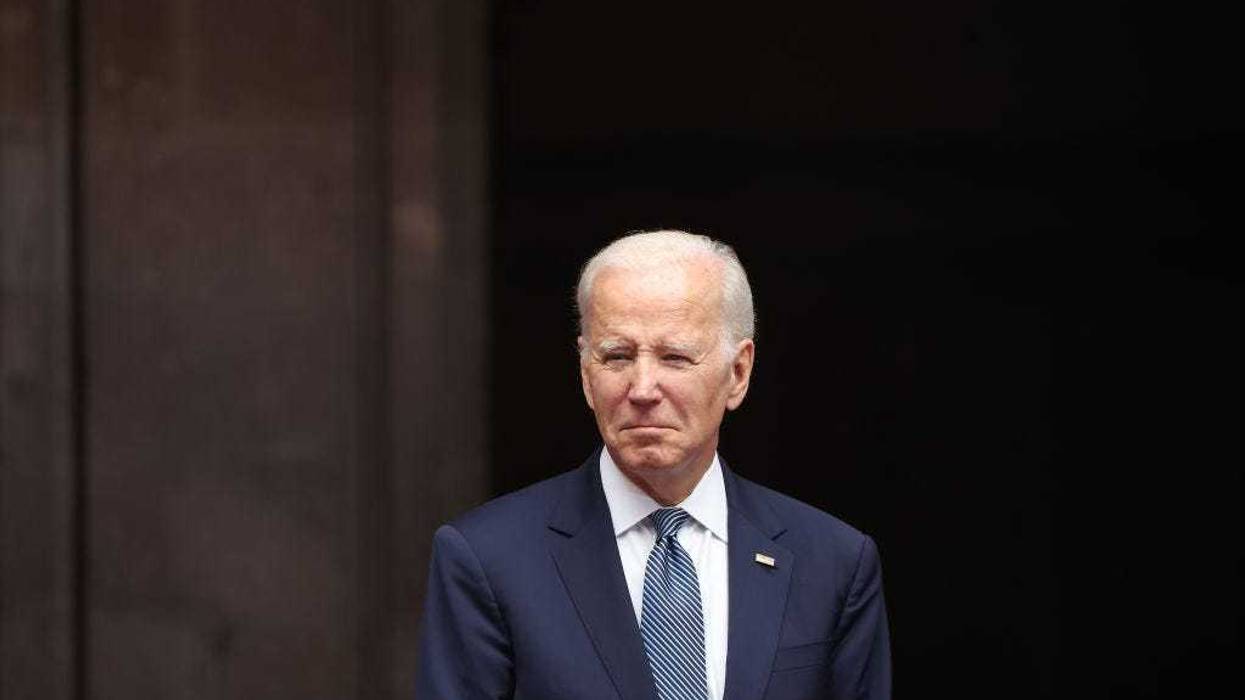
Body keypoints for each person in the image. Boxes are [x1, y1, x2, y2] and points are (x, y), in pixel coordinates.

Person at [416, 230, 891, 700]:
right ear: (586, 376)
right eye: (617, 356)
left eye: (675, 357)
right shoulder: (487, 559)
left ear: (738, 374)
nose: (643, 389)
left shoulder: (832, 564)